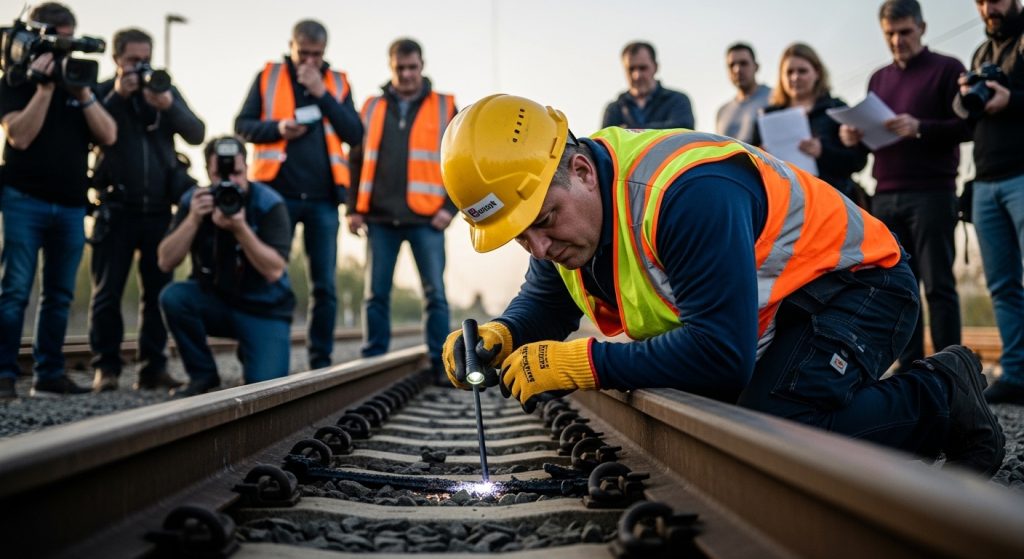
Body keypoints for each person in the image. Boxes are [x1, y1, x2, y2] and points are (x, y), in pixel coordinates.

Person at [439, 94, 1006, 477]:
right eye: (519, 237)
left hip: (859, 286)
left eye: (542, 222)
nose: (538, 247)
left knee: (770, 430)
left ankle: (939, 396)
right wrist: (502, 333)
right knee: (728, 417)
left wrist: (585, 363)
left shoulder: (684, 193)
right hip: (791, 305)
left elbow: (720, 354)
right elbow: (545, 300)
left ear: (582, 172)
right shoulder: (568, 217)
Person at [838, 1, 969, 375]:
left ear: (922, 28)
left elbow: (967, 128)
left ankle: (951, 370)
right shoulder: (878, 79)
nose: (897, 40)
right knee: (900, 288)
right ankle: (910, 369)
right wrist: (853, 138)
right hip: (886, 194)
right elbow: (870, 145)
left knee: (939, 285)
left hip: (933, 192)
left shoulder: (948, 69)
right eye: (890, 34)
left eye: (905, 32)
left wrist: (921, 126)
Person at [0, 3, 117, 399]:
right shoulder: (16, 81)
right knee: (16, 289)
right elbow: (19, 136)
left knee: (59, 294)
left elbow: (109, 136)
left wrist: (82, 93)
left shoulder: (81, 82)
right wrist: (45, 89)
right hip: (23, 199)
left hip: (70, 205)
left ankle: (49, 374)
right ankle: (3, 375)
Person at [234, 19, 363, 369]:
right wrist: (277, 129)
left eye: (316, 55)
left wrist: (321, 92)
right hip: (276, 196)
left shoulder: (337, 82)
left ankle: (320, 359)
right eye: (302, 53)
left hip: (323, 200)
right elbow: (241, 126)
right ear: (291, 47)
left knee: (325, 285)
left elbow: (354, 132)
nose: (308, 61)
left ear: (324, 53)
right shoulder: (268, 76)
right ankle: (258, 353)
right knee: (267, 274)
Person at [89, 27, 205, 392]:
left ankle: (153, 367)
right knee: (107, 292)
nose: (141, 68)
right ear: (117, 60)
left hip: (158, 210)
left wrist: (168, 105)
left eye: (145, 60)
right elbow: (87, 134)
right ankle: (106, 369)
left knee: (158, 293)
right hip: (116, 207)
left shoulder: (163, 92)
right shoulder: (100, 92)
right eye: (133, 61)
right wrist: (117, 97)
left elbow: (197, 133)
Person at [347, 38, 456, 380]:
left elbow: (463, 160)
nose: (407, 74)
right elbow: (354, 157)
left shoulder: (445, 107)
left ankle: (440, 366)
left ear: (422, 66)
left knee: (435, 294)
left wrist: (450, 208)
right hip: (379, 217)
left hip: (427, 219)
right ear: (390, 67)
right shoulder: (371, 107)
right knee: (375, 295)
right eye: (400, 68)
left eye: (412, 67)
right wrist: (352, 207)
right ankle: (372, 363)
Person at [157, 137, 295, 397]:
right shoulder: (195, 202)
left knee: (264, 390)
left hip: (263, 309)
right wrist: (194, 219)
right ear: (208, 173)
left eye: (237, 173)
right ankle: (203, 375)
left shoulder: (269, 203)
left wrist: (240, 229)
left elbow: (274, 270)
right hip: (217, 301)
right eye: (221, 174)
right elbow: (165, 260)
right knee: (174, 297)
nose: (230, 181)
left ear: (248, 168)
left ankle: (254, 348)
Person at [954, 0, 1024, 405]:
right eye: (979, 2)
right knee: (1002, 286)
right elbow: (969, 120)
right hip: (985, 182)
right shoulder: (981, 53)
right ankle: (1016, 374)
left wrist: (1011, 100)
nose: (987, 7)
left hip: (1021, 174)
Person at [751, 43, 868, 203]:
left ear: (817, 73)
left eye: (802, 71)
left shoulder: (835, 109)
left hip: (833, 200)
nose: (795, 77)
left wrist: (822, 152)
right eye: (789, 72)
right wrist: (761, 155)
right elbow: (751, 164)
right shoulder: (767, 116)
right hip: (786, 202)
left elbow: (857, 161)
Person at [602, 41, 694, 130]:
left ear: (656, 67)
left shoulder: (677, 101)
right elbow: (603, 142)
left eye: (643, 68)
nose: (636, 76)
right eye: (631, 69)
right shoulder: (614, 109)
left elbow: (683, 131)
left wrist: (627, 130)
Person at [715, 42, 771, 144]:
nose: (737, 70)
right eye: (732, 65)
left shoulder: (774, 98)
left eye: (743, 63)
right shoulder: (722, 111)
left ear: (756, 67)